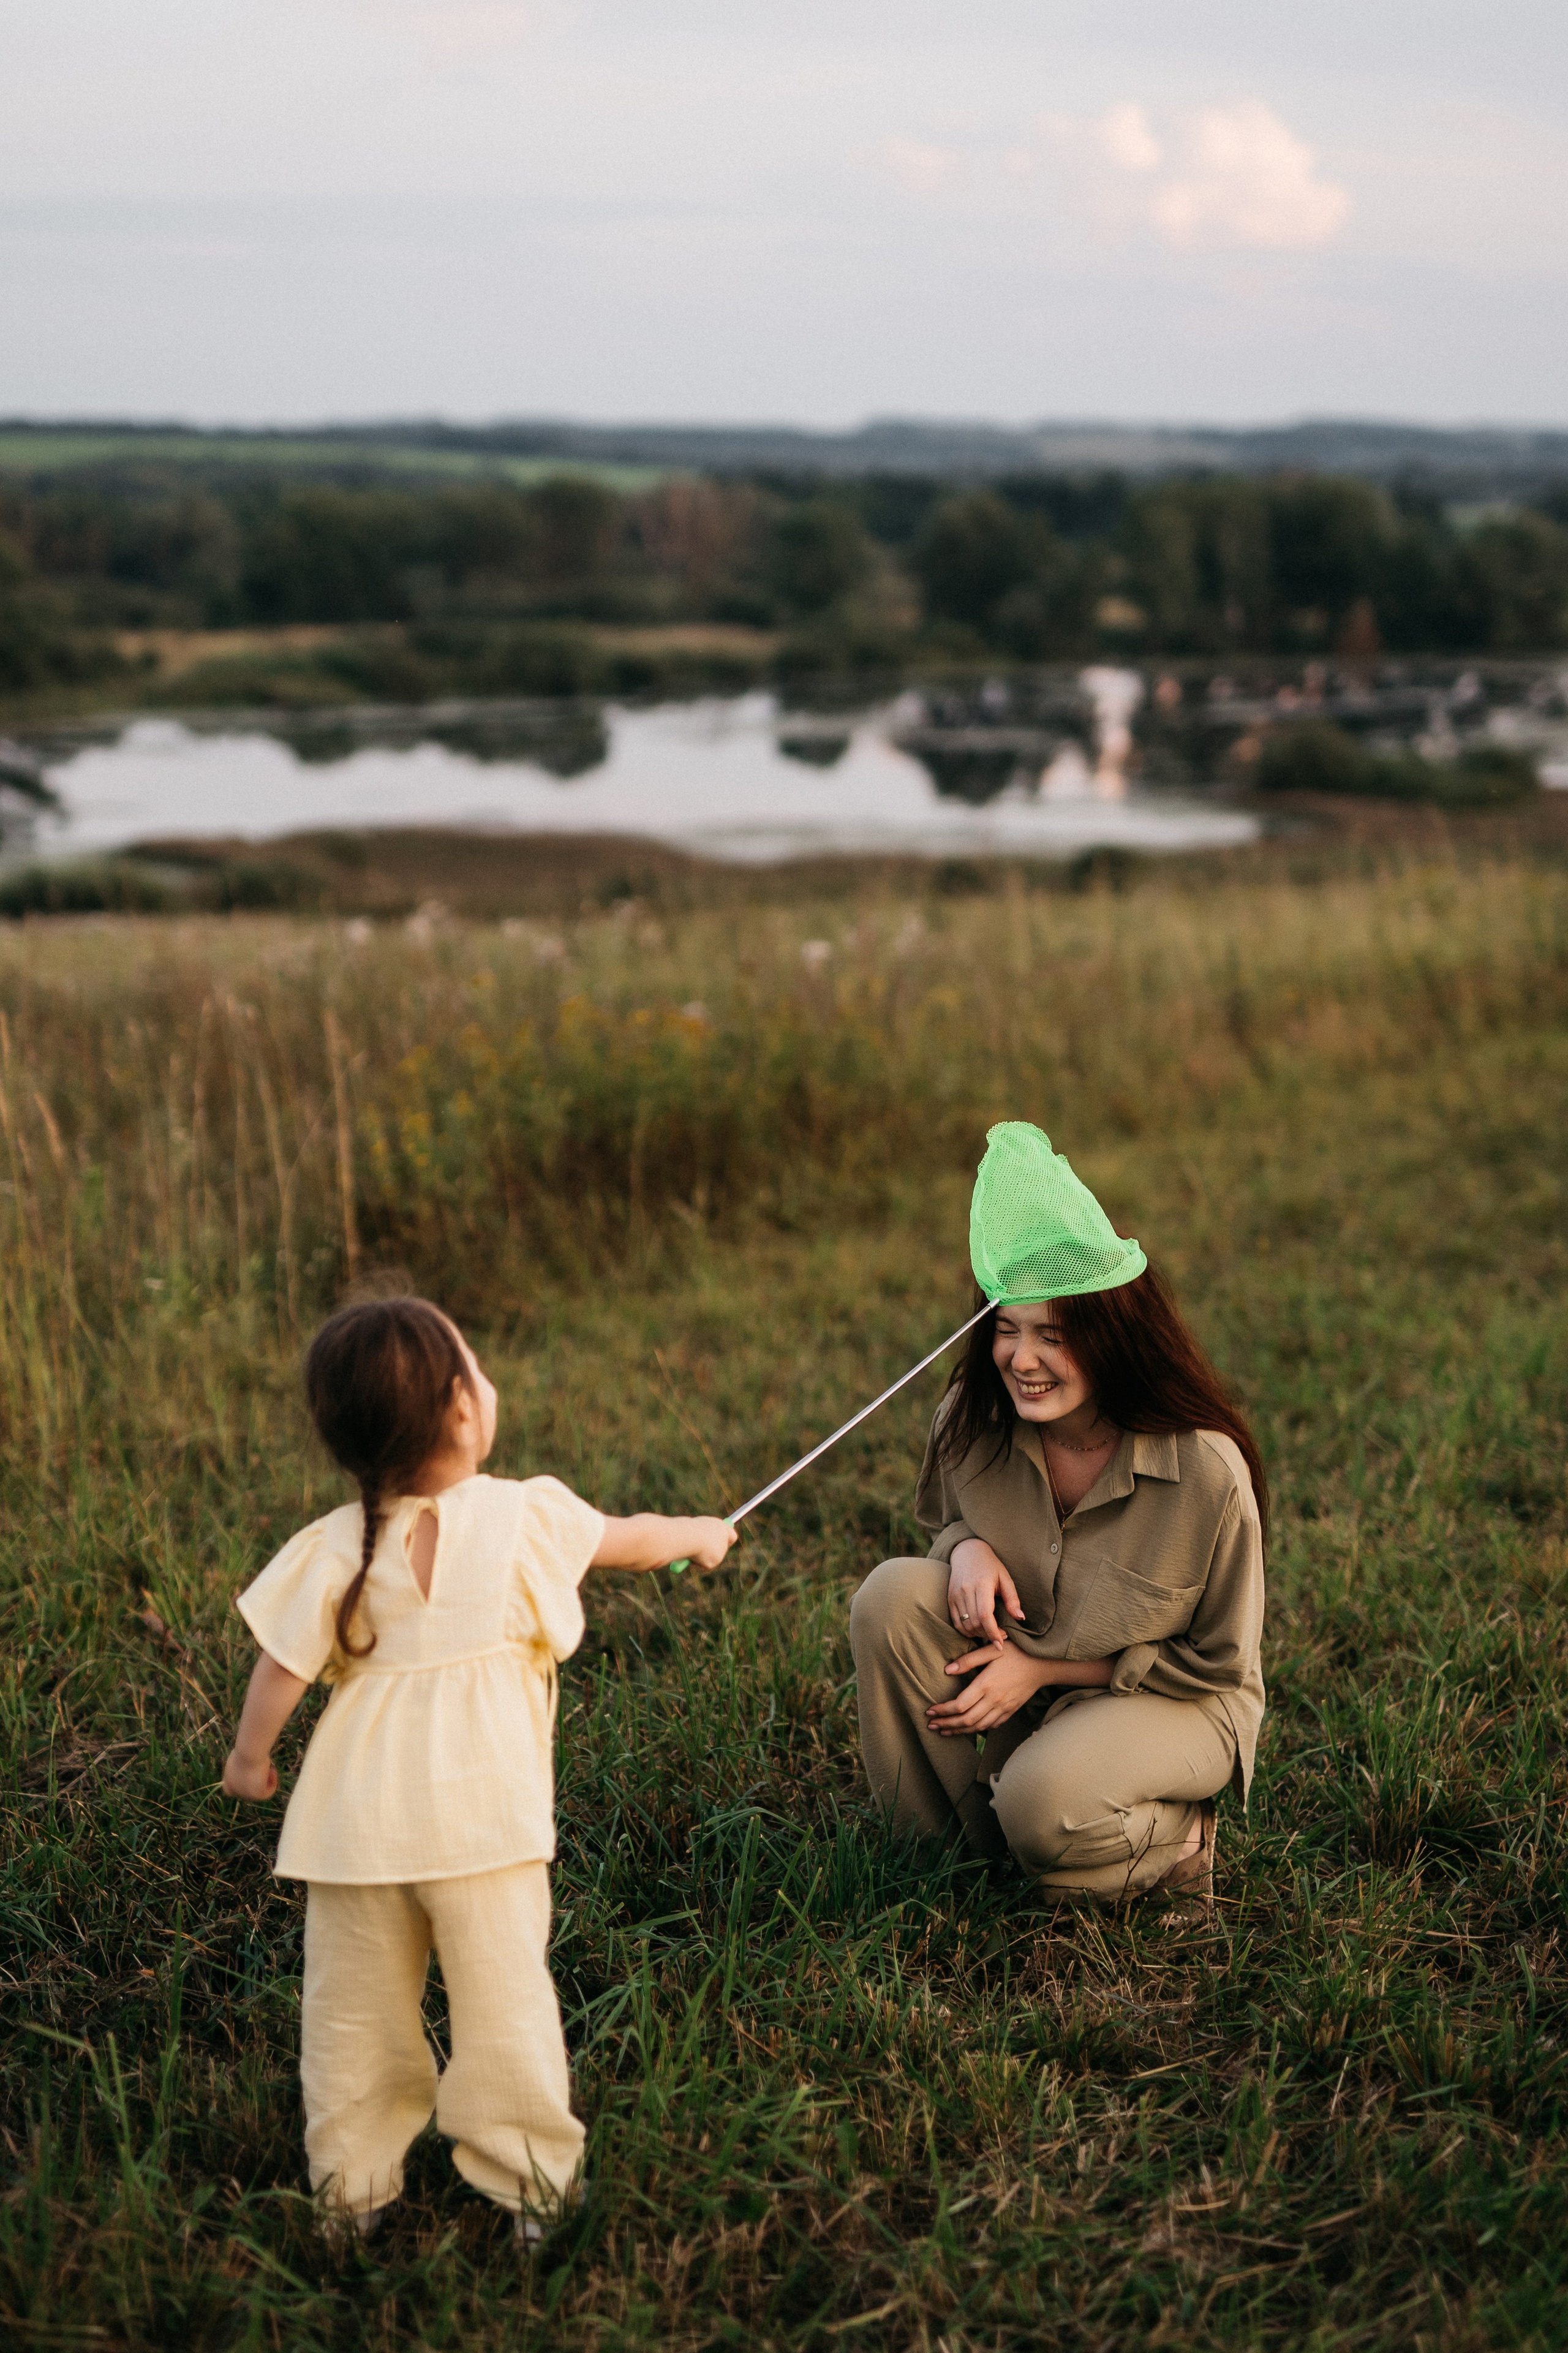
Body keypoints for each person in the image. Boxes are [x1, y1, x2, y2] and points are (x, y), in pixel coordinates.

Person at [221, 1294, 735, 2239]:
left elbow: (280, 1671)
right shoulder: (525, 1514)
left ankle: (351, 2191)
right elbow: (634, 1539)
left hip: (353, 1834)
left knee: (353, 2023)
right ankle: (534, 2189)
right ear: (465, 1409)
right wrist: (703, 1531)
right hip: (484, 1827)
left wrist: (251, 1758)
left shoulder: (335, 1544)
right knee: (506, 2014)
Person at [850, 1124, 1265, 1909]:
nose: (1022, 1359)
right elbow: (947, 1529)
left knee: (1042, 1811)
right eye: (1006, 1330)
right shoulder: (970, 1420)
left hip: (1174, 1702)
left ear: (1113, 1339)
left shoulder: (1206, 1469)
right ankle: (946, 1867)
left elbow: (1218, 1664)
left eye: (1053, 1334)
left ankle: (1178, 1836)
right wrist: (966, 1545)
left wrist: (1041, 1669)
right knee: (889, 1598)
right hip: (1033, 1679)